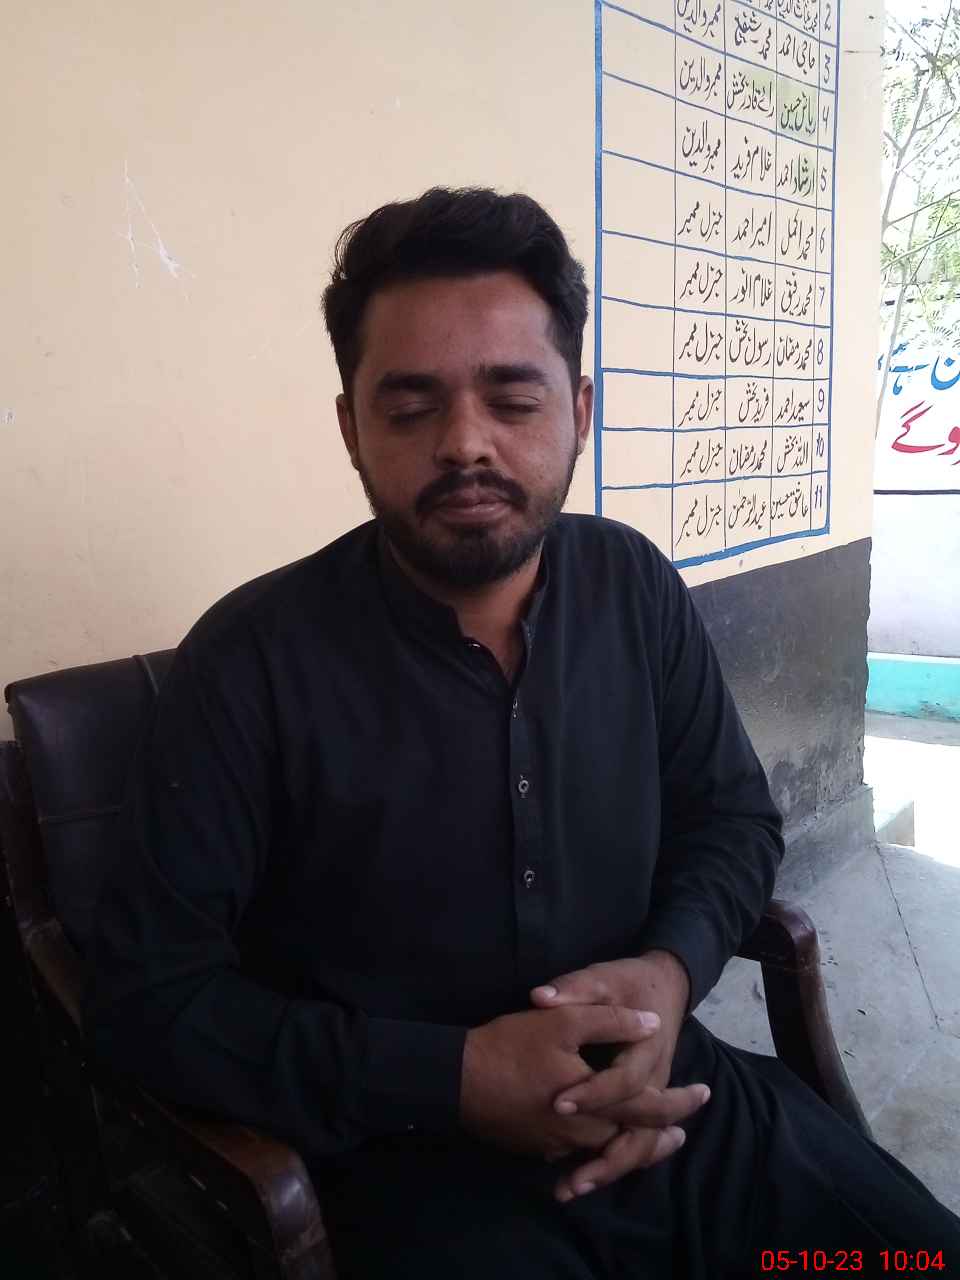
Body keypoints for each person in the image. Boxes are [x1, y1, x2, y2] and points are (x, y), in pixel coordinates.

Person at [86, 187, 960, 1279]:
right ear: (350, 427)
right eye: (411, 407)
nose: (466, 444)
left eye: (512, 398)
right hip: (414, 1168)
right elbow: (150, 997)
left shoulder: (633, 587)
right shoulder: (248, 663)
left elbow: (731, 819)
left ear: (579, 410)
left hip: (671, 1096)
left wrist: (671, 971)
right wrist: (453, 1077)